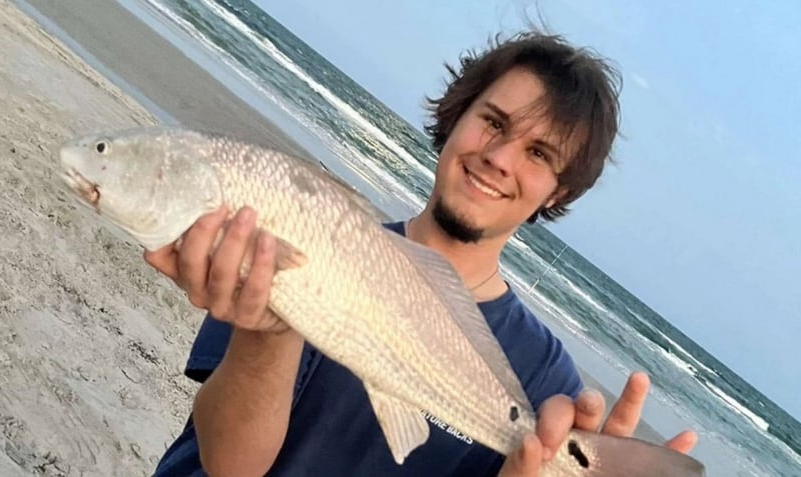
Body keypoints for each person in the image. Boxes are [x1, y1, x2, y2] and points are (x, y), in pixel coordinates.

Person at [146, 31, 697, 476]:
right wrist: (270, 331)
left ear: (559, 190)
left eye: (538, 153)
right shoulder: (306, 237)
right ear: (458, 115)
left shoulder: (544, 378)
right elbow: (230, 467)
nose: (501, 158)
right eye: (494, 123)